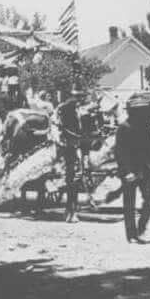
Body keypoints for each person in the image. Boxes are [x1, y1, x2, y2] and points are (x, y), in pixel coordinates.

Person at [115, 95, 150, 243]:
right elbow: (120, 153)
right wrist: (127, 172)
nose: (143, 114)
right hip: (130, 171)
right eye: (140, 111)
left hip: (145, 169)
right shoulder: (124, 128)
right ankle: (131, 234)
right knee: (129, 203)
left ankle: (141, 227)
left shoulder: (146, 128)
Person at [56, 86, 88, 223]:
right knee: (72, 179)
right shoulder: (66, 108)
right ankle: (71, 211)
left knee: (74, 180)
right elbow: (63, 127)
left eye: (81, 97)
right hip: (68, 144)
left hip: (75, 143)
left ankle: (71, 210)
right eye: (78, 97)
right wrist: (77, 136)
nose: (80, 100)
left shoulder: (76, 109)